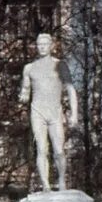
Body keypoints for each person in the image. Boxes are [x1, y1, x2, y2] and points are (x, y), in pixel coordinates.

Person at [19, 32, 79, 192]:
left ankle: (61, 181)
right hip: (37, 111)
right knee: (41, 149)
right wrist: (23, 95)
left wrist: (74, 114)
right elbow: (24, 91)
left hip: (55, 111)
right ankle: (45, 184)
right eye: (39, 44)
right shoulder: (29, 68)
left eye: (45, 44)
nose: (42, 47)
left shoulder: (60, 65)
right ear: (36, 47)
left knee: (59, 150)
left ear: (51, 46)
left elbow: (71, 89)